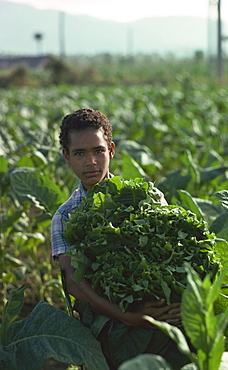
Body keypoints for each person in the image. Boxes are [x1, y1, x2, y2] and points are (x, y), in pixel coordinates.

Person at [51, 108, 188, 369]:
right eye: (80, 153)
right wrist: (131, 317)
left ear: (111, 150)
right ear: (66, 157)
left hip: (165, 322)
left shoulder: (143, 198)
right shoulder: (65, 216)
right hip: (108, 330)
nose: (91, 162)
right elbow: (74, 283)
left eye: (98, 151)